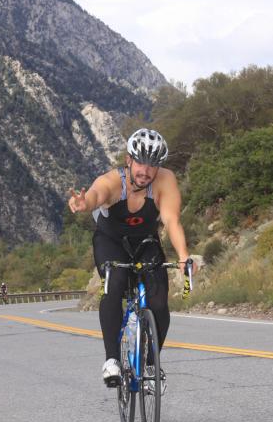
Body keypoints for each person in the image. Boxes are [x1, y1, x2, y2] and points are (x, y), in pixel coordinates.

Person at [68, 128, 196, 389]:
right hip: (111, 242)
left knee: (158, 300)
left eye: (152, 165)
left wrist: (184, 257)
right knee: (114, 284)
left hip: (146, 242)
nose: (145, 171)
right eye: (140, 162)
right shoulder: (112, 182)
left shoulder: (165, 181)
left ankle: (151, 364)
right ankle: (112, 360)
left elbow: (171, 221)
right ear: (129, 160)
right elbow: (95, 195)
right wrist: (85, 204)